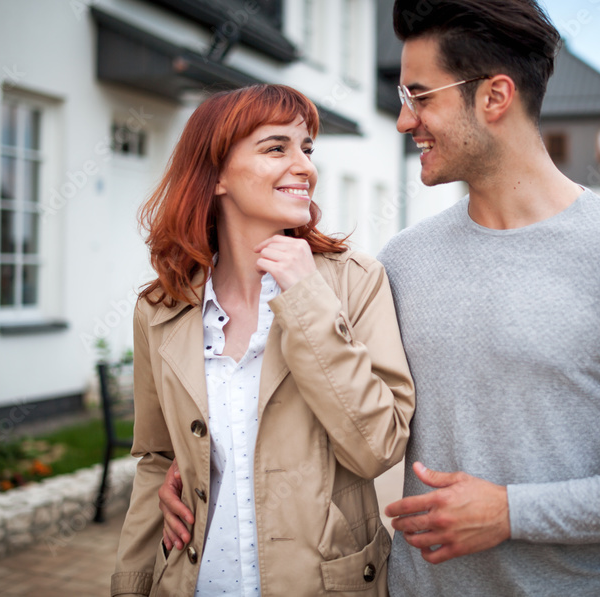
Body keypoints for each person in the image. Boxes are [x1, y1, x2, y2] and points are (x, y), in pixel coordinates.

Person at [161, 1, 600, 594]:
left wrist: (511, 512)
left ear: (494, 97)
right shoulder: (401, 264)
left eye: (420, 96)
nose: (403, 121)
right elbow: (322, 408)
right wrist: (194, 470)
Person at [111, 84, 415, 597]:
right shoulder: (160, 309)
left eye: (307, 148)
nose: (305, 166)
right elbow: (158, 462)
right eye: (277, 148)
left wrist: (306, 301)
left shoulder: (356, 281)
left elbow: (377, 447)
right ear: (217, 175)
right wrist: (131, 584)